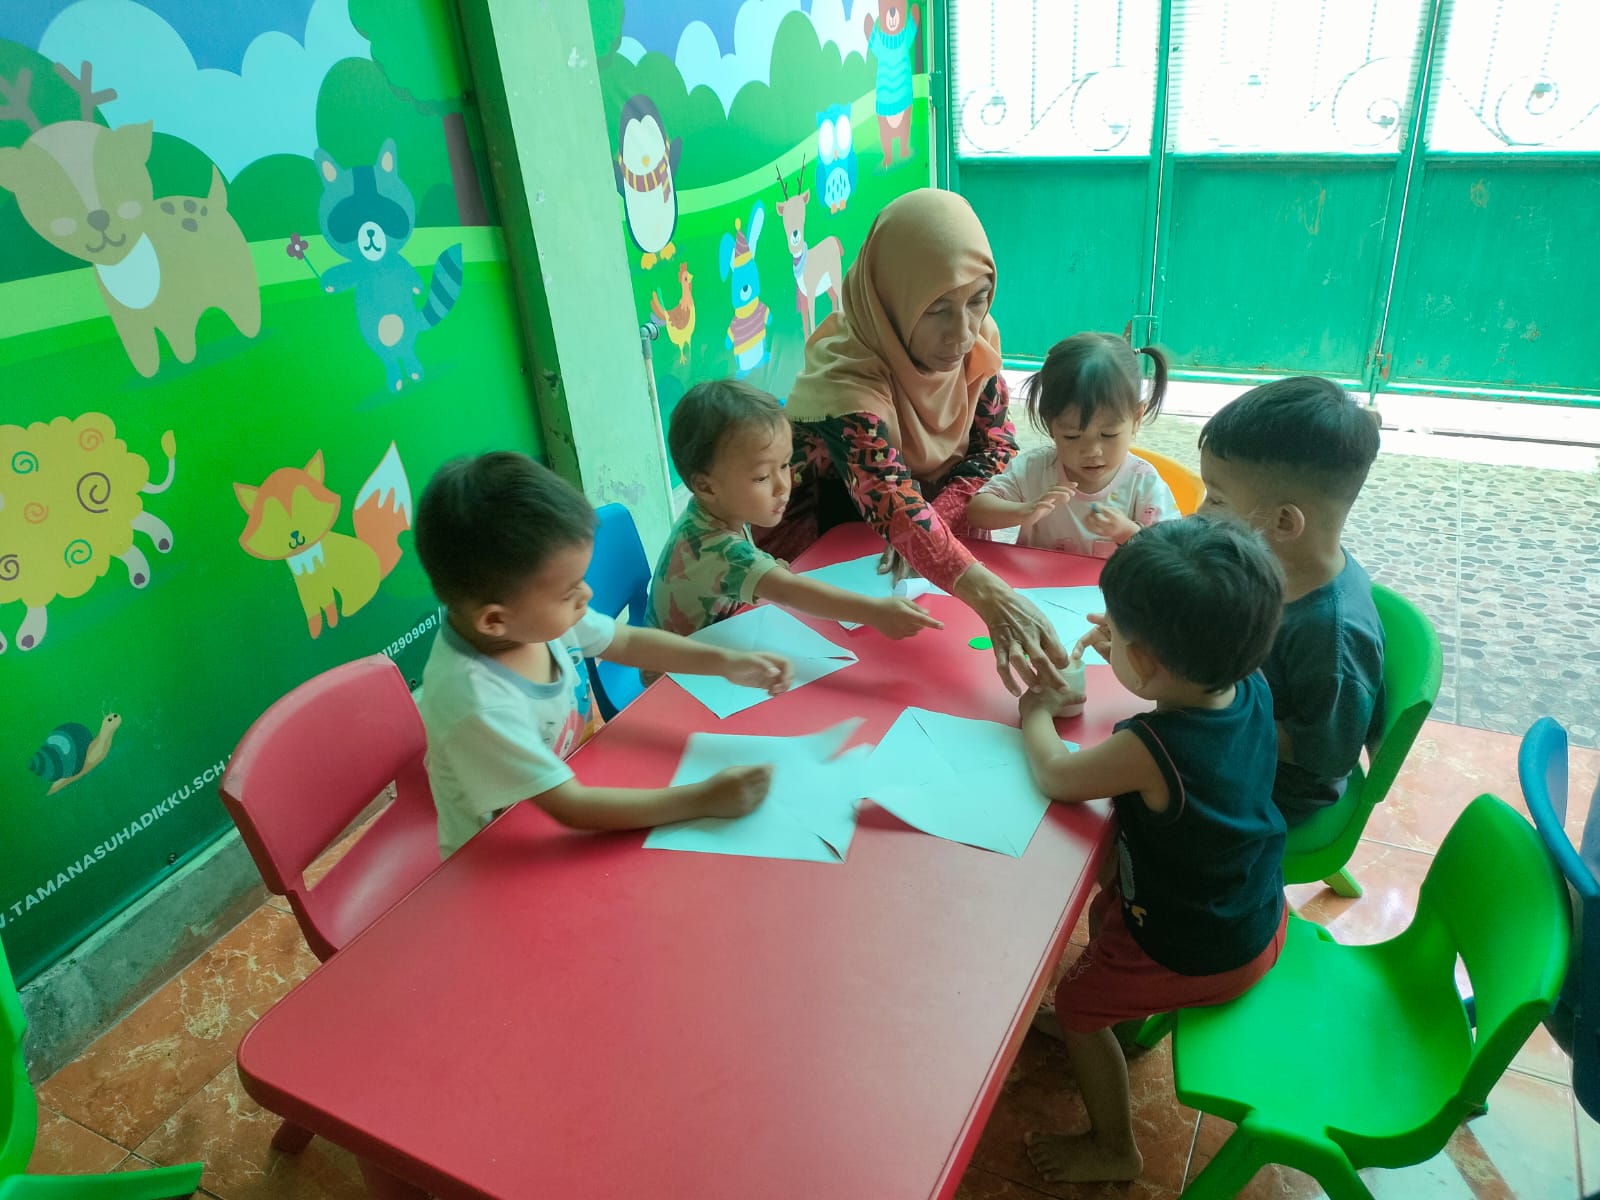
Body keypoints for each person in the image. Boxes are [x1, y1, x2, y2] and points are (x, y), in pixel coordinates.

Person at [1016, 517, 1289, 1184]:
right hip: (1253, 910)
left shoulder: (1151, 747)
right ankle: (1117, 1009)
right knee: (1104, 904)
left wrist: (1033, 712)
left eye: (1116, 633)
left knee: (1077, 1009)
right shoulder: (1248, 683)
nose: (1105, 636)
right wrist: (1132, 646)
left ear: (1147, 662)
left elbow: (1056, 775)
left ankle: (1115, 1148)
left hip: (1198, 947)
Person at [760, 187, 1068, 695]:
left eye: (978, 301)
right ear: (891, 301)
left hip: (925, 562)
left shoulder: (978, 339)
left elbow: (997, 449)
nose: (963, 333)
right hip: (830, 565)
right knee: (853, 691)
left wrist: (938, 517)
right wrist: (993, 596)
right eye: (937, 309)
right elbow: (889, 499)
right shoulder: (847, 373)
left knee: (942, 678)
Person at [412, 452, 792, 859]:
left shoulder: (530, 620)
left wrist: (724, 662)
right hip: (497, 857)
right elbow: (572, 808)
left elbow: (625, 642)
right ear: (494, 620)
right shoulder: (477, 701)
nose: (587, 594)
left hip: (568, 783)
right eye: (569, 591)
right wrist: (704, 799)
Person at [1198, 376, 1385, 827]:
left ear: (1283, 522)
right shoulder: (1279, 563)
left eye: (1216, 499)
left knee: (1133, 779)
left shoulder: (1331, 635)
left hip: (1280, 792)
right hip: (1240, 729)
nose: (1201, 511)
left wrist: (1210, 702)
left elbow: (1327, 755)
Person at [648, 378, 944, 639]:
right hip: (676, 676)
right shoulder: (716, 547)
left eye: (785, 464)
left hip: (719, 641)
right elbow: (790, 592)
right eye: (761, 477)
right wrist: (876, 612)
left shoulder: (718, 509)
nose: (783, 486)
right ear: (706, 487)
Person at [966, 332, 1179, 556]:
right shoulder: (1034, 469)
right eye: (1072, 436)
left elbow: (1172, 551)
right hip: (1040, 578)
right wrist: (1025, 511)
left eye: (1108, 434)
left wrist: (1128, 532)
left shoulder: (1142, 482)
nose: (1092, 451)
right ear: (1050, 425)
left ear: (1137, 418)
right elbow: (977, 512)